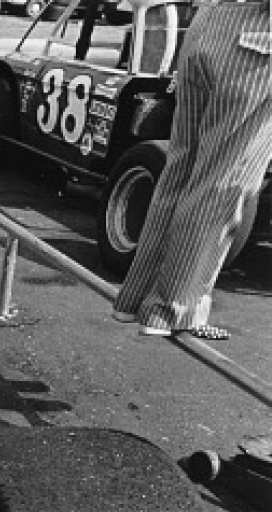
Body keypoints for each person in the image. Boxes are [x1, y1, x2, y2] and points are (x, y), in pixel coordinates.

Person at [112, 0, 271, 340]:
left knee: (182, 170)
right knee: (225, 181)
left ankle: (138, 299)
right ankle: (172, 309)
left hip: (207, 25)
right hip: (256, 40)